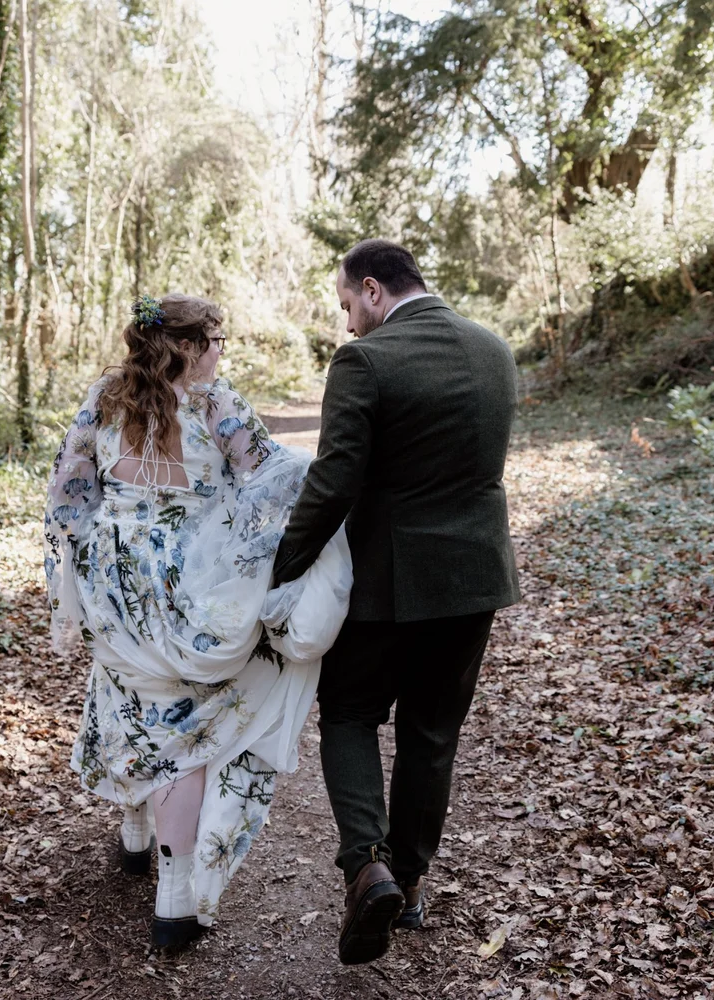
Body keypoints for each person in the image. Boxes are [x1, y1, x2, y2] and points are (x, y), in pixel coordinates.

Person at [44, 293, 351, 952]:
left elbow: (69, 493)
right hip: (192, 595)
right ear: (186, 346)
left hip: (114, 587)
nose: (222, 352)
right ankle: (175, 896)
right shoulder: (219, 406)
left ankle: (134, 835)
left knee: (126, 701)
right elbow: (272, 483)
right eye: (215, 340)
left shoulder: (104, 398)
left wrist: (91, 572)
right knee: (183, 732)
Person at [273, 239, 520, 966]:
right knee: (431, 734)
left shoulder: (365, 362)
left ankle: (366, 866)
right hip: (474, 580)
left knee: (349, 711)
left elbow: (335, 479)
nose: (348, 324)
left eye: (348, 304)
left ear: (374, 289)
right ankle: (408, 886)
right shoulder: (494, 351)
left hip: (385, 582)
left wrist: (284, 568)